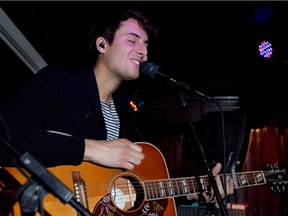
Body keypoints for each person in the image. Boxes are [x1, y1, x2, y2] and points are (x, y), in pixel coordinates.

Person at [0, 7, 233, 212]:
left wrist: (196, 191)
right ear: (102, 44)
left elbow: (137, 186)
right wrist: (90, 149)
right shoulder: (59, 82)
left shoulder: (125, 114)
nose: (144, 51)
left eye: (145, 44)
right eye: (133, 40)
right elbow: (6, 138)